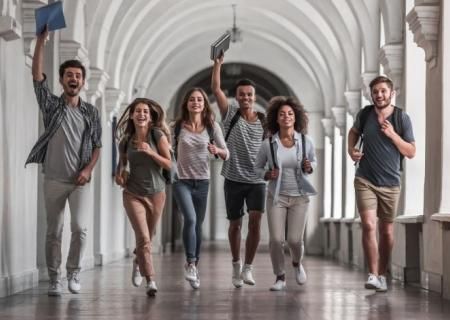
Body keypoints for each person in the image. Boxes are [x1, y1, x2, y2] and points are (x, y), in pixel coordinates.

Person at [25, 29, 102, 296]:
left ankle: (74, 272)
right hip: (54, 179)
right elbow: (36, 78)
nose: (74, 79)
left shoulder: (91, 112)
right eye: (69, 75)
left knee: (80, 229)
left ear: (82, 82)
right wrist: (40, 42)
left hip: (80, 181)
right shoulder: (51, 106)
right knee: (54, 232)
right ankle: (55, 278)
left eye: (78, 76)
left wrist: (88, 170)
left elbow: (97, 147)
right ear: (62, 80)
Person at [348, 75, 415, 292]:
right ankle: (372, 274)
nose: (379, 95)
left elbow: (411, 152)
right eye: (375, 91)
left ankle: (383, 274)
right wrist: (351, 150)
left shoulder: (401, 118)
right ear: (371, 94)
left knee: (386, 231)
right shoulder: (365, 114)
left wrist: (393, 135)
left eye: (383, 91)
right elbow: (353, 132)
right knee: (368, 225)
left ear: (391, 93)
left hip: (390, 183)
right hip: (365, 178)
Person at [211, 56, 266, 287]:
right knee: (235, 224)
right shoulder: (230, 114)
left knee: (255, 223)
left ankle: (248, 268)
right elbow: (215, 88)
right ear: (237, 96)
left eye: (249, 94)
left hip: (257, 180)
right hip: (233, 177)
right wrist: (218, 64)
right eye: (242, 94)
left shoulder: (263, 120)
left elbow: (271, 149)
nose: (245, 98)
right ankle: (236, 264)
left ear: (254, 97)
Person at [255, 96, 317, 291]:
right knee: (275, 240)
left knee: (294, 240)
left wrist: (309, 166)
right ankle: (280, 276)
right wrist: (266, 173)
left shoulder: (306, 141)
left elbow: (314, 161)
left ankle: (297, 263)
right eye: (282, 114)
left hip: (300, 197)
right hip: (276, 197)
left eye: (290, 113)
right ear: (276, 118)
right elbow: (257, 168)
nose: (286, 117)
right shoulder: (268, 144)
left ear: (295, 117)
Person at [172, 88, 229, 289]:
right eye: (192, 99)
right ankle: (190, 262)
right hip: (181, 181)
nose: (195, 102)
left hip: (203, 182)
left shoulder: (212, 127)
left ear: (204, 104)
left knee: (197, 226)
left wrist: (217, 150)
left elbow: (226, 154)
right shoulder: (177, 126)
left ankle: (194, 267)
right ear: (187, 104)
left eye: (199, 99)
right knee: (190, 219)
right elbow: (167, 149)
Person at [115, 98, 172, 296]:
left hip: (157, 194)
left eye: (145, 112)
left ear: (150, 117)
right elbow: (121, 165)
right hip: (133, 194)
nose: (141, 115)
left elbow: (169, 164)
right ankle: (151, 280)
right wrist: (120, 175)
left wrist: (150, 152)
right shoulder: (125, 141)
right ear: (131, 115)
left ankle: (138, 261)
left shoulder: (157, 135)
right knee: (144, 237)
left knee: (149, 236)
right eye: (138, 111)